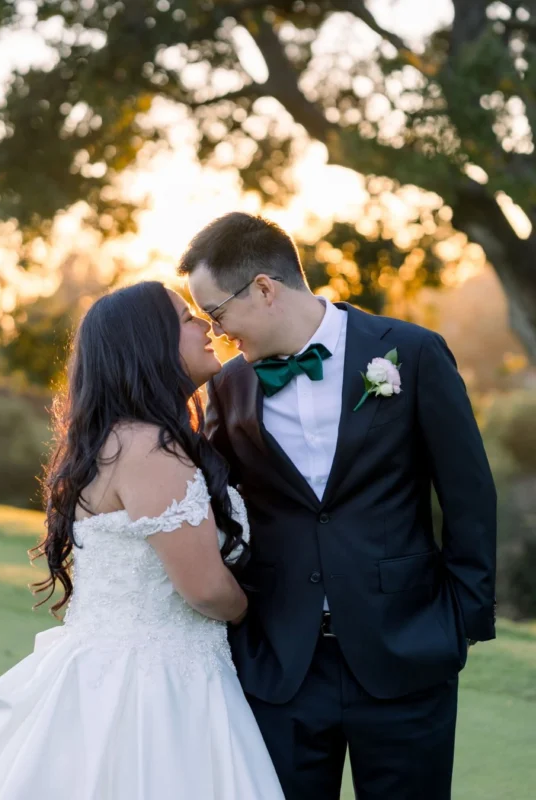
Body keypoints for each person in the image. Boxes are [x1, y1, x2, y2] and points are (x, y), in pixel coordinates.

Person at [181, 212, 497, 800]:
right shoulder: (227, 388)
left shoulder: (413, 352)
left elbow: (469, 495)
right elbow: (216, 505)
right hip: (281, 663)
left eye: (217, 315)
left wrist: (464, 620)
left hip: (407, 651)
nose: (218, 334)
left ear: (265, 289)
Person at [0, 281, 285, 800]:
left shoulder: (116, 440)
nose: (205, 324)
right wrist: (250, 611)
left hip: (108, 672)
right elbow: (203, 589)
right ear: (147, 344)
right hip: (154, 689)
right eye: (185, 318)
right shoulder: (149, 448)